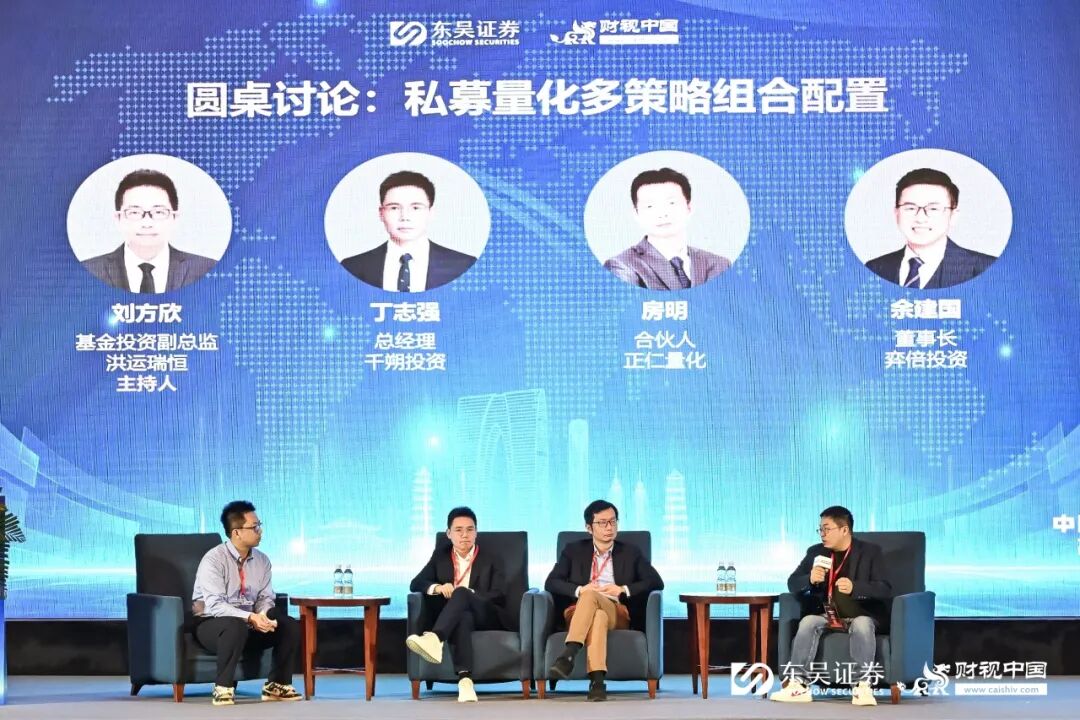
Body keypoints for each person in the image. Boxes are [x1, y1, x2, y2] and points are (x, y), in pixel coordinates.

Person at [770, 506, 892, 707]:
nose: (822, 534)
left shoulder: (870, 552)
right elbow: (792, 583)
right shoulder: (816, 552)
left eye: (827, 529)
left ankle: (862, 686)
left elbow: (885, 588)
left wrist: (855, 587)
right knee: (808, 622)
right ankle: (798, 685)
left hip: (861, 613)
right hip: (828, 614)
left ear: (844, 530)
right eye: (820, 529)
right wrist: (809, 579)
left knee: (862, 625)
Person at [544, 499, 664, 701]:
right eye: (602, 523)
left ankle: (569, 653)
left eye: (613, 521)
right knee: (596, 613)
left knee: (595, 600)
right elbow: (551, 582)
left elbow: (656, 581)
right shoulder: (573, 550)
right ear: (589, 528)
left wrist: (623, 589)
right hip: (578, 611)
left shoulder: (631, 551)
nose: (609, 527)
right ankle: (597, 682)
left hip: (616, 611)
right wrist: (580, 590)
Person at [191, 501, 301, 706]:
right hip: (212, 624)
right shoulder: (213, 560)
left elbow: (265, 598)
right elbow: (215, 605)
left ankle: (277, 685)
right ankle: (223, 687)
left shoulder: (262, 560)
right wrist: (250, 617)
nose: (260, 531)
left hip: (249, 623)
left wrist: (263, 616)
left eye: (260, 525)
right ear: (237, 533)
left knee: (288, 624)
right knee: (234, 626)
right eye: (254, 527)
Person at [405, 506, 512, 703]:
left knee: (461, 592)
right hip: (457, 616)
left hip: (486, 614)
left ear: (476, 532)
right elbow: (416, 583)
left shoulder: (492, 558)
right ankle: (465, 681)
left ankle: (435, 638)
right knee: (462, 617)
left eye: (470, 530)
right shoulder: (440, 556)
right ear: (449, 534)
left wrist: (469, 594)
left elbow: (499, 593)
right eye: (459, 530)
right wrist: (438, 588)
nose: (465, 535)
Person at [81, 169, 216, 293]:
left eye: (158, 212)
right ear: (118, 218)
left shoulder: (208, 270)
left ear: (174, 218)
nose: (147, 223)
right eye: (134, 212)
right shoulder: (88, 271)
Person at [341, 170, 477, 291]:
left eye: (416, 208)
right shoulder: (352, 266)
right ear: (381, 213)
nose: (405, 217)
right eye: (394, 208)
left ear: (431, 213)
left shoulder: (464, 265)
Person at [865, 168, 996, 289]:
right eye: (910, 208)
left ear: (953, 215)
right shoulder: (875, 268)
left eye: (933, 209)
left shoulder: (986, 268)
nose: (920, 218)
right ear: (896, 213)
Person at [603, 168, 731, 289]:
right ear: (636, 214)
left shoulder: (720, 264)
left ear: (689, 208)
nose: (662, 214)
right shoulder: (622, 265)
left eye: (671, 203)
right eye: (650, 206)